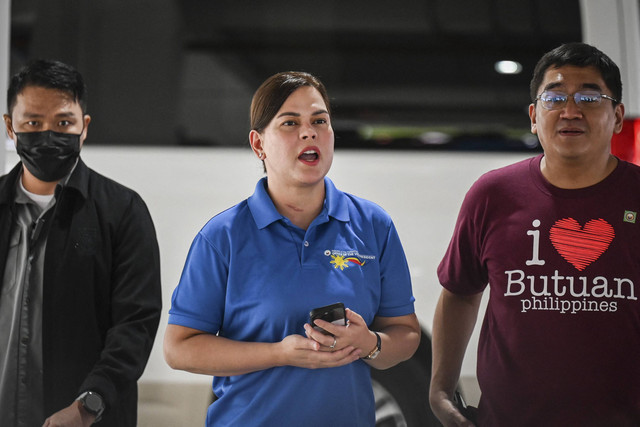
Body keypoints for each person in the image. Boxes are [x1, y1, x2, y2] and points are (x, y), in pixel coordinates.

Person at [164, 71, 420, 426]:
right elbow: (179, 348)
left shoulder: (374, 226)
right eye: (290, 122)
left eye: (320, 120)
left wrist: (371, 343)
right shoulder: (223, 236)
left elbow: (406, 333)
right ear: (258, 145)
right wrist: (279, 353)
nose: (308, 132)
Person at [430, 42, 640, 426]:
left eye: (590, 97)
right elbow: (460, 292)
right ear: (533, 115)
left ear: (618, 116)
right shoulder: (493, 194)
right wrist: (440, 389)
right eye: (555, 97)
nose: (570, 111)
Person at [0, 60, 162, 426]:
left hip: (84, 418)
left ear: (83, 127)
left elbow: (135, 324)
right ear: (10, 127)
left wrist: (89, 405)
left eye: (62, 123)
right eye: (32, 123)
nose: (47, 134)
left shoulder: (122, 211)